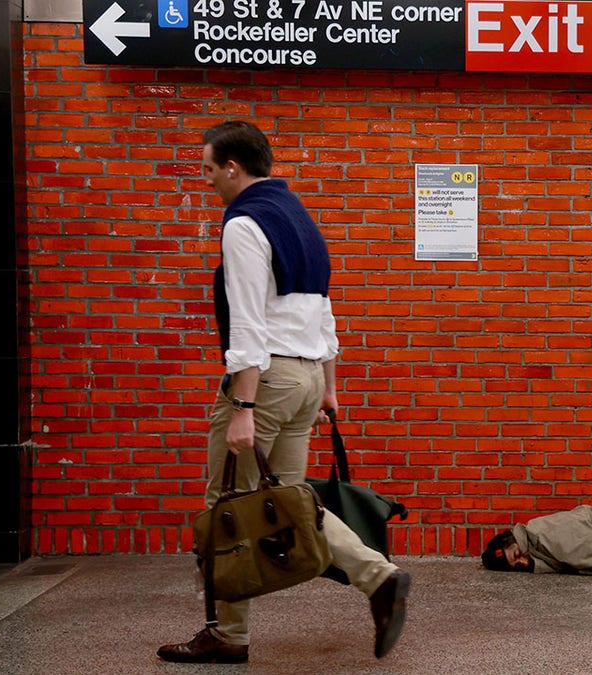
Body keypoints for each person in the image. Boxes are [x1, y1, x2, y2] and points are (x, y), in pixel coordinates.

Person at [158, 121, 410, 664]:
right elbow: (323, 312)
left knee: (227, 504)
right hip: (306, 378)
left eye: (208, 170)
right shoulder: (299, 218)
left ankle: (227, 636)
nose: (206, 182)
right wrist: (329, 388)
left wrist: (243, 406)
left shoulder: (244, 223)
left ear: (233, 167)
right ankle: (380, 576)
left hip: (266, 383)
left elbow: (248, 324)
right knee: (291, 503)